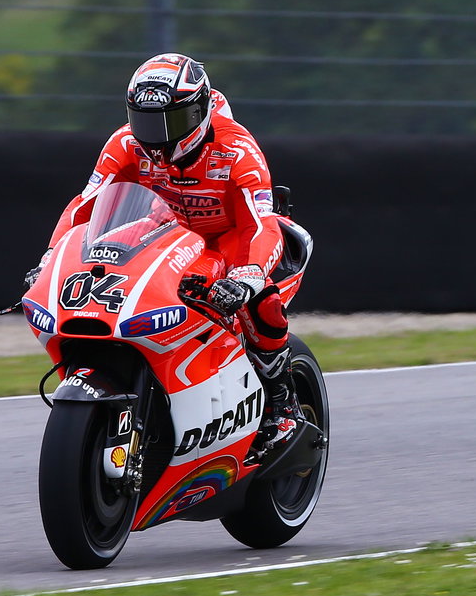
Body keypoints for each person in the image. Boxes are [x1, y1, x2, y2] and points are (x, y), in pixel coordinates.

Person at [30, 53, 300, 451]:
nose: (156, 135)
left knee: (256, 300)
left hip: (223, 237)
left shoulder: (237, 150)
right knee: (99, 261)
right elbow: (85, 206)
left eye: (170, 122)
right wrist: (50, 258)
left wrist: (249, 275)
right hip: (159, 231)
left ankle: (282, 403)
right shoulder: (124, 142)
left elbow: (261, 224)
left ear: (200, 110)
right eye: (145, 122)